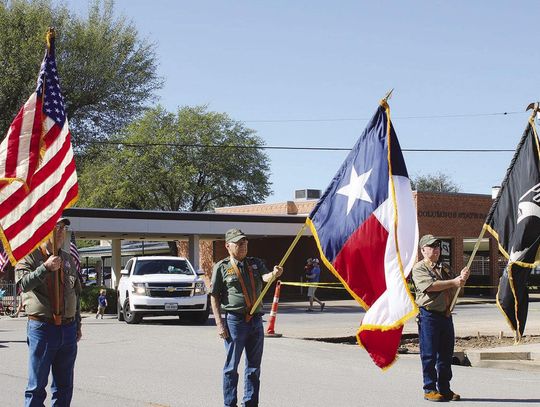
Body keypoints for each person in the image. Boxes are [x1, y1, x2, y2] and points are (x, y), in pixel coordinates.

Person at [210, 228, 283, 407]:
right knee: (231, 367)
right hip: (235, 321)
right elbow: (214, 296)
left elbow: (266, 277)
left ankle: (250, 404)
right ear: (228, 246)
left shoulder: (255, 263)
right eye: (239, 243)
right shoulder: (222, 267)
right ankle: (230, 404)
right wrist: (220, 324)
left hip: (256, 321)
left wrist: (274, 274)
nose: (243, 246)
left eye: (245, 242)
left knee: (253, 368)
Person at [15, 217, 82, 406]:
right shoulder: (29, 256)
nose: (61, 232)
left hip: (68, 329)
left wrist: (77, 323)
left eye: (63, 228)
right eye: (56, 227)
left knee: (64, 387)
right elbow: (23, 284)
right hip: (43, 327)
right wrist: (44, 268)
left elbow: (74, 292)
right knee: (36, 387)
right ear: (43, 230)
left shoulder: (67, 259)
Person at [411, 234, 470, 402]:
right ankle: (430, 388)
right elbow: (430, 287)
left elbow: (457, 288)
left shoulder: (444, 267)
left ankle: (445, 388)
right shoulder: (419, 268)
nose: (435, 250)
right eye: (431, 247)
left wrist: (462, 279)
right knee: (429, 354)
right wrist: (454, 281)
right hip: (429, 315)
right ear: (423, 250)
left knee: (445, 354)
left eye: (437, 247)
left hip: (446, 315)